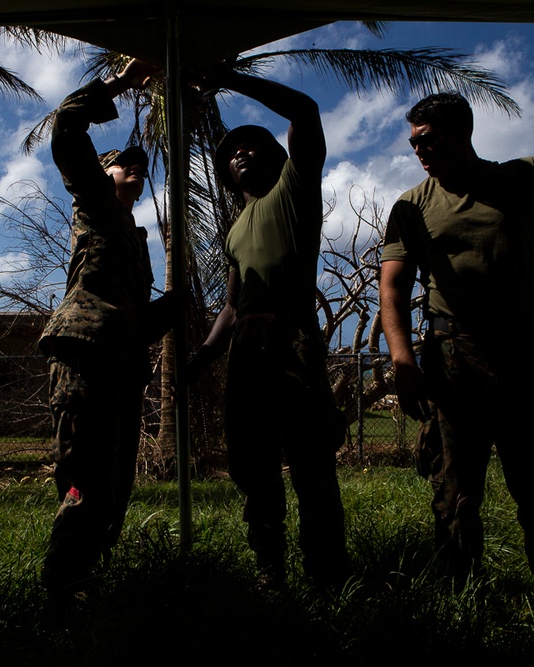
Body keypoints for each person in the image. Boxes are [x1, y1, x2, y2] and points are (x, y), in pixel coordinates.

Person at [380, 41, 534, 607]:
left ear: (461, 132)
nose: (419, 151)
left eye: (428, 139)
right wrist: (403, 360)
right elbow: (392, 287)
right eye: (414, 142)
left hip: (521, 350)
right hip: (450, 355)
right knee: (453, 487)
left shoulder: (518, 180)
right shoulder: (411, 206)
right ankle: (461, 598)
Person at [188, 65, 350, 589]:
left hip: (292, 339)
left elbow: (305, 111)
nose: (241, 153)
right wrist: (204, 355)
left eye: (254, 145)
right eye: (232, 153)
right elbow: (231, 306)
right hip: (247, 350)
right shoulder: (234, 227)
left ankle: (325, 571)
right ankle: (270, 567)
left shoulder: (294, 192)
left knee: (309, 462)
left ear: (279, 157)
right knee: (254, 465)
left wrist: (227, 75)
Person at [38, 58, 176, 597]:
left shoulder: (135, 238)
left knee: (116, 484)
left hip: (121, 361)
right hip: (86, 352)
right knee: (85, 479)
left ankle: (88, 577)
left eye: (142, 167)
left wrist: (174, 309)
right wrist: (118, 82)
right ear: (102, 170)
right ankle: (60, 585)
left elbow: (137, 320)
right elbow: (65, 127)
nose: (136, 169)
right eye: (124, 163)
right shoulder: (94, 203)